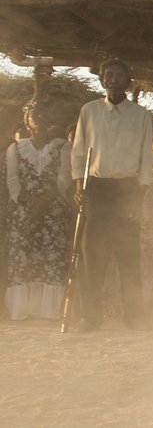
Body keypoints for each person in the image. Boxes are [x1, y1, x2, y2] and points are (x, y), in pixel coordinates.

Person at [71, 59, 153, 331]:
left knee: (127, 253)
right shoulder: (90, 111)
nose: (113, 79)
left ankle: (134, 316)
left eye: (119, 76)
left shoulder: (140, 115)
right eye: (109, 75)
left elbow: (146, 157)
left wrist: (139, 196)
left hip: (127, 189)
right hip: (96, 187)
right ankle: (90, 316)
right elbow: (79, 151)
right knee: (91, 253)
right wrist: (78, 185)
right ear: (102, 80)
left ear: (129, 83)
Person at [4, 106, 73, 320]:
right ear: (27, 123)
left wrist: (44, 202)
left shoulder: (63, 147)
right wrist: (31, 202)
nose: (40, 119)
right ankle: (23, 310)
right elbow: (13, 181)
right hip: (25, 211)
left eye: (44, 115)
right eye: (35, 117)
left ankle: (49, 311)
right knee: (24, 256)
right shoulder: (15, 150)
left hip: (53, 212)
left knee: (51, 257)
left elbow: (64, 179)